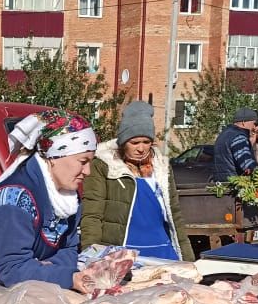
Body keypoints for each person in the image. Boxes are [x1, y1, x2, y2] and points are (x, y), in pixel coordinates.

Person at [0, 109, 96, 290]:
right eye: (82, 161)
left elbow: (68, 248)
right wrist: (65, 277)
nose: (88, 171)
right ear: (53, 157)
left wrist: (50, 270)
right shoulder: (13, 202)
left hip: (20, 291)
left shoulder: (68, 198)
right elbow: (11, 269)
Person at [79, 100, 194, 261]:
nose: (141, 148)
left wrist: (188, 260)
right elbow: (92, 215)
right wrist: (91, 257)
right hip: (122, 254)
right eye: (134, 142)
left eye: (146, 142)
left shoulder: (161, 167)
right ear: (123, 142)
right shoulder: (104, 166)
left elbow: (174, 214)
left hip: (164, 251)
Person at [212, 107, 258, 183]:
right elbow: (246, 162)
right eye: (254, 123)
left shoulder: (223, 134)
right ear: (243, 122)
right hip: (235, 185)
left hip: (222, 183)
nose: (254, 127)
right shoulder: (239, 137)